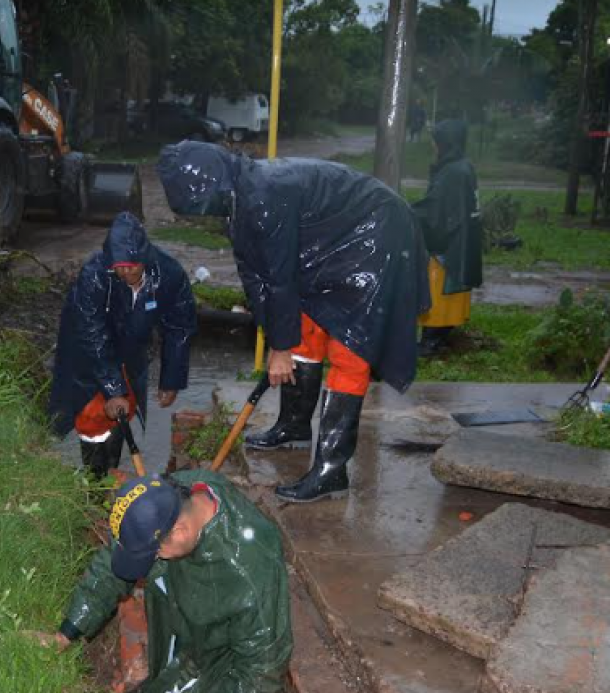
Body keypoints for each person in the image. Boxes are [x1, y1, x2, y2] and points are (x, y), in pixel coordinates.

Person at [157, 142, 430, 504]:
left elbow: (281, 277)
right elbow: (255, 275)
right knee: (304, 328)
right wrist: (276, 337)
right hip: (331, 238)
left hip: (379, 233)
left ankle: (332, 471)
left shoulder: (265, 195)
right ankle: (294, 426)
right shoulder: (239, 197)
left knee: (350, 347)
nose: (201, 216)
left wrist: (280, 349)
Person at [54, 471, 293, 693]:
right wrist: (67, 633)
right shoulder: (176, 493)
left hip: (227, 664)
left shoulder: (247, 571)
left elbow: (264, 669)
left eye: (153, 553)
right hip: (188, 623)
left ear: (180, 532)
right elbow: (114, 562)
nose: (150, 562)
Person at [47, 212, 197, 478]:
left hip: (131, 347)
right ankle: (95, 484)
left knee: (123, 409)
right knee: (93, 416)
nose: (126, 272)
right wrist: (111, 388)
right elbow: (92, 334)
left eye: (132, 266)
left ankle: (112, 472)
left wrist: (171, 380)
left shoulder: (168, 274)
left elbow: (179, 328)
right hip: (88, 350)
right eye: (120, 267)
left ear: (144, 259)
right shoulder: (94, 275)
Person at [413, 119, 483, 357]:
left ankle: (431, 341)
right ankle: (438, 338)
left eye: (436, 141)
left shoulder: (452, 172)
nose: (433, 146)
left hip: (448, 247)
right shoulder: (463, 166)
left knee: (437, 290)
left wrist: (409, 213)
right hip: (461, 242)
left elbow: (436, 212)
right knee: (450, 293)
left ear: (445, 143)